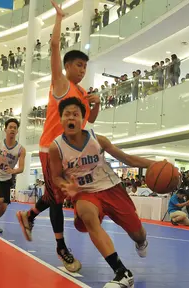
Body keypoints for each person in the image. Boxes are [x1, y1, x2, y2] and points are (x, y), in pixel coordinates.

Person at [16, 0, 100, 272]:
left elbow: (89, 122)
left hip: (71, 151)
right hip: (50, 148)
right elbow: (54, 46)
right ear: (66, 67)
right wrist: (59, 18)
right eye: (78, 65)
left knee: (56, 195)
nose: (82, 70)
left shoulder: (82, 96)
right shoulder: (62, 84)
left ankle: (28, 216)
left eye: (85, 67)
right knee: (58, 195)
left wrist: (96, 104)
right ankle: (61, 248)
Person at [49, 97, 150, 287]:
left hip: (111, 188)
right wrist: (66, 187)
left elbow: (128, 159)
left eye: (76, 114)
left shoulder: (97, 140)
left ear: (82, 119)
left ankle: (142, 241)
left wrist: (155, 165)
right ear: (61, 120)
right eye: (67, 114)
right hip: (84, 192)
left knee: (138, 233)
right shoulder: (56, 148)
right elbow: (56, 177)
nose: (71, 117)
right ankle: (122, 272)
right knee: (88, 216)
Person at [0, 118, 25, 233]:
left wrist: (13, 171)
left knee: (4, 206)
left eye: (15, 128)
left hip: (6, 177)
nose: (12, 129)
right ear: (5, 129)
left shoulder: (21, 149)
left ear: (17, 131)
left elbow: (21, 168)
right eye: (10, 127)